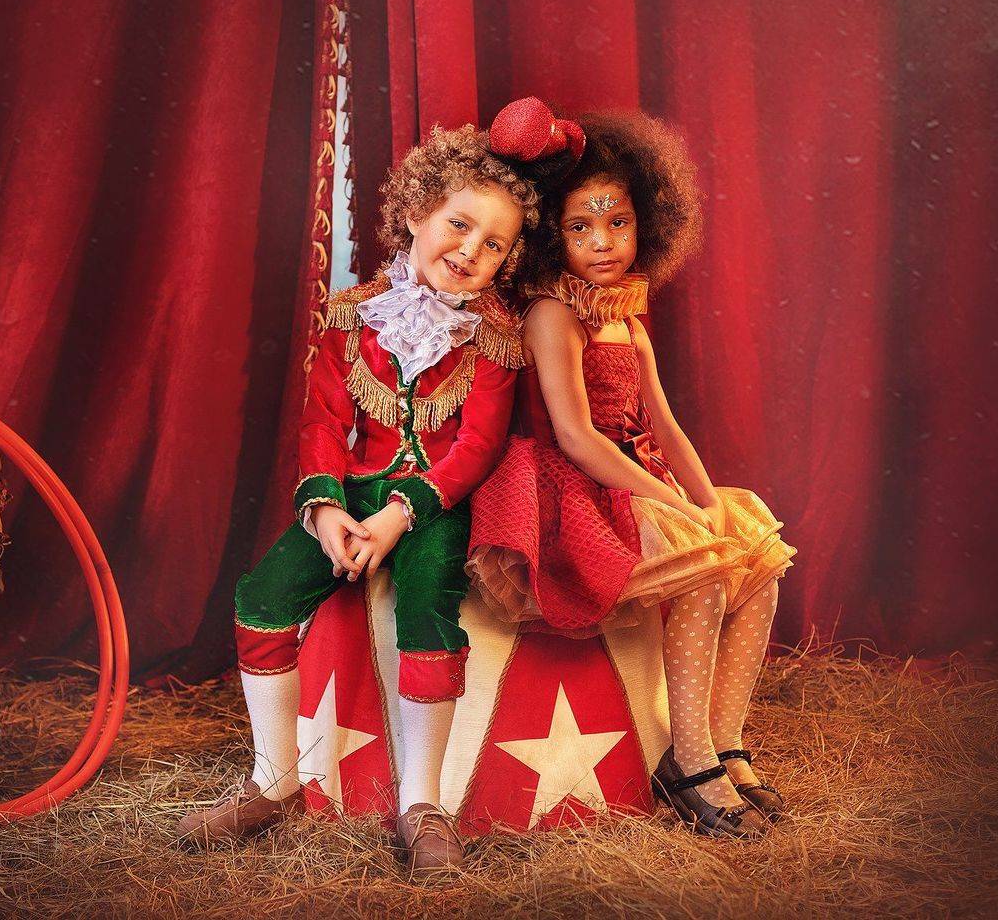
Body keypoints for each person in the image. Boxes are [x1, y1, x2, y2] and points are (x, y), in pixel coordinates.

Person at [179, 106, 575, 874]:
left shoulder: (495, 339)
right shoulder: (351, 316)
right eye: (459, 225)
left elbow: (477, 449)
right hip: (351, 498)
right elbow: (324, 424)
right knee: (261, 597)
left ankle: (421, 806)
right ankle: (272, 782)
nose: (471, 250)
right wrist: (327, 510)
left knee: (428, 606)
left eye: (494, 244)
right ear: (417, 213)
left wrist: (399, 517)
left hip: (431, 507)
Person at [468, 106, 796, 838]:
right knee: (701, 572)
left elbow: (667, 427)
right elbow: (577, 436)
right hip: (578, 491)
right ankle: (689, 758)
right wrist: (668, 506)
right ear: (552, 236)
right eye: (580, 227)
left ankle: (726, 739)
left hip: (637, 478)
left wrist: (706, 503)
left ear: (646, 223)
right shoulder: (554, 314)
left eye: (617, 223)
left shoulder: (627, 319)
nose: (603, 242)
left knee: (759, 561)